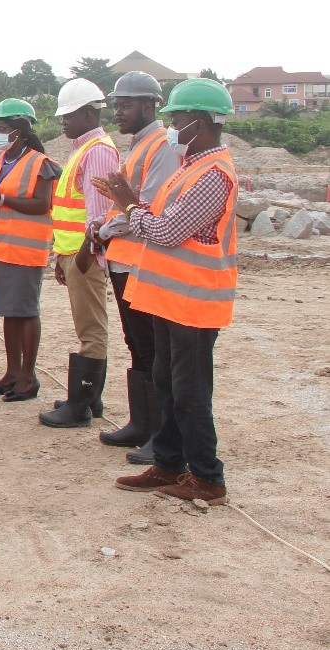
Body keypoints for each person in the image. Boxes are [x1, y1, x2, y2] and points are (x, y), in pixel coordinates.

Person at [108, 78, 239, 505]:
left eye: (177, 117)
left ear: (197, 122)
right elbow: (159, 222)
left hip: (194, 302)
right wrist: (137, 210)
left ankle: (206, 477)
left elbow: (166, 230)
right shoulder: (190, 166)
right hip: (169, 299)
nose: (172, 125)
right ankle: (168, 463)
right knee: (166, 380)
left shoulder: (214, 174)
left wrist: (130, 206)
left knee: (190, 392)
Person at [93, 72, 178, 463]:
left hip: (140, 261)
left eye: (125, 105)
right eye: (116, 105)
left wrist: (105, 228)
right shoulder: (139, 145)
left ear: (149, 105)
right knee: (138, 346)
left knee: (152, 349)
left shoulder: (160, 146)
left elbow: (144, 206)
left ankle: (160, 435)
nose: (118, 112)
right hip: (123, 260)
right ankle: (141, 425)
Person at [39, 78, 119, 428]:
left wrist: (88, 251)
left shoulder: (98, 151)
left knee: (91, 328)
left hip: (85, 254)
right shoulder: (82, 149)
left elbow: (98, 212)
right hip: (73, 252)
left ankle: (82, 404)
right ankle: (89, 398)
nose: (63, 122)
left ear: (89, 113)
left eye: (68, 115)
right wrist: (62, 253)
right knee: (86, 325)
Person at [0, 99, 58, 402]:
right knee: (9, 311)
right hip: (0, 245)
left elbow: (42, 204)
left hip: (25, 249)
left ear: (19, 131)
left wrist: (2, 200)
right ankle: (12, 370)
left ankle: (28, 375)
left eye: (3, 128)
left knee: (26, 311)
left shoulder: (40, 163)